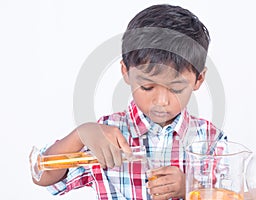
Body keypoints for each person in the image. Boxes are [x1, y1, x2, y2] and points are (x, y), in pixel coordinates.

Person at [31, 4, 226, 200]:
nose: (161, 101)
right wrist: (80, 135)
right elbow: (44, 176)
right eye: (147, 87)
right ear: (125, 72)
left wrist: (191, 188)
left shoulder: (210, 140)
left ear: (198, 80)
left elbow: (232, 193)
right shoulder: (104, 135)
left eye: (176, 89)